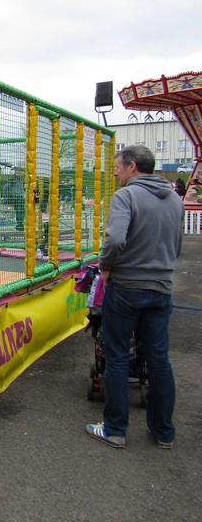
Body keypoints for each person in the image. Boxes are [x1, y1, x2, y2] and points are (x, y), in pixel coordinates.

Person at [85, 145, 184, 450]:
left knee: (116, 356)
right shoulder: (175, 199)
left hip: (127, 286)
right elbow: (177, 244)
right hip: (161, 287)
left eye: (117, 167)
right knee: (158, 359)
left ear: (131, 166)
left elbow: (115, 238)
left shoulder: (126, 196)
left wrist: (105, 267)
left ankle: (115, 429)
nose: (114, 173)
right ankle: (163, 432)